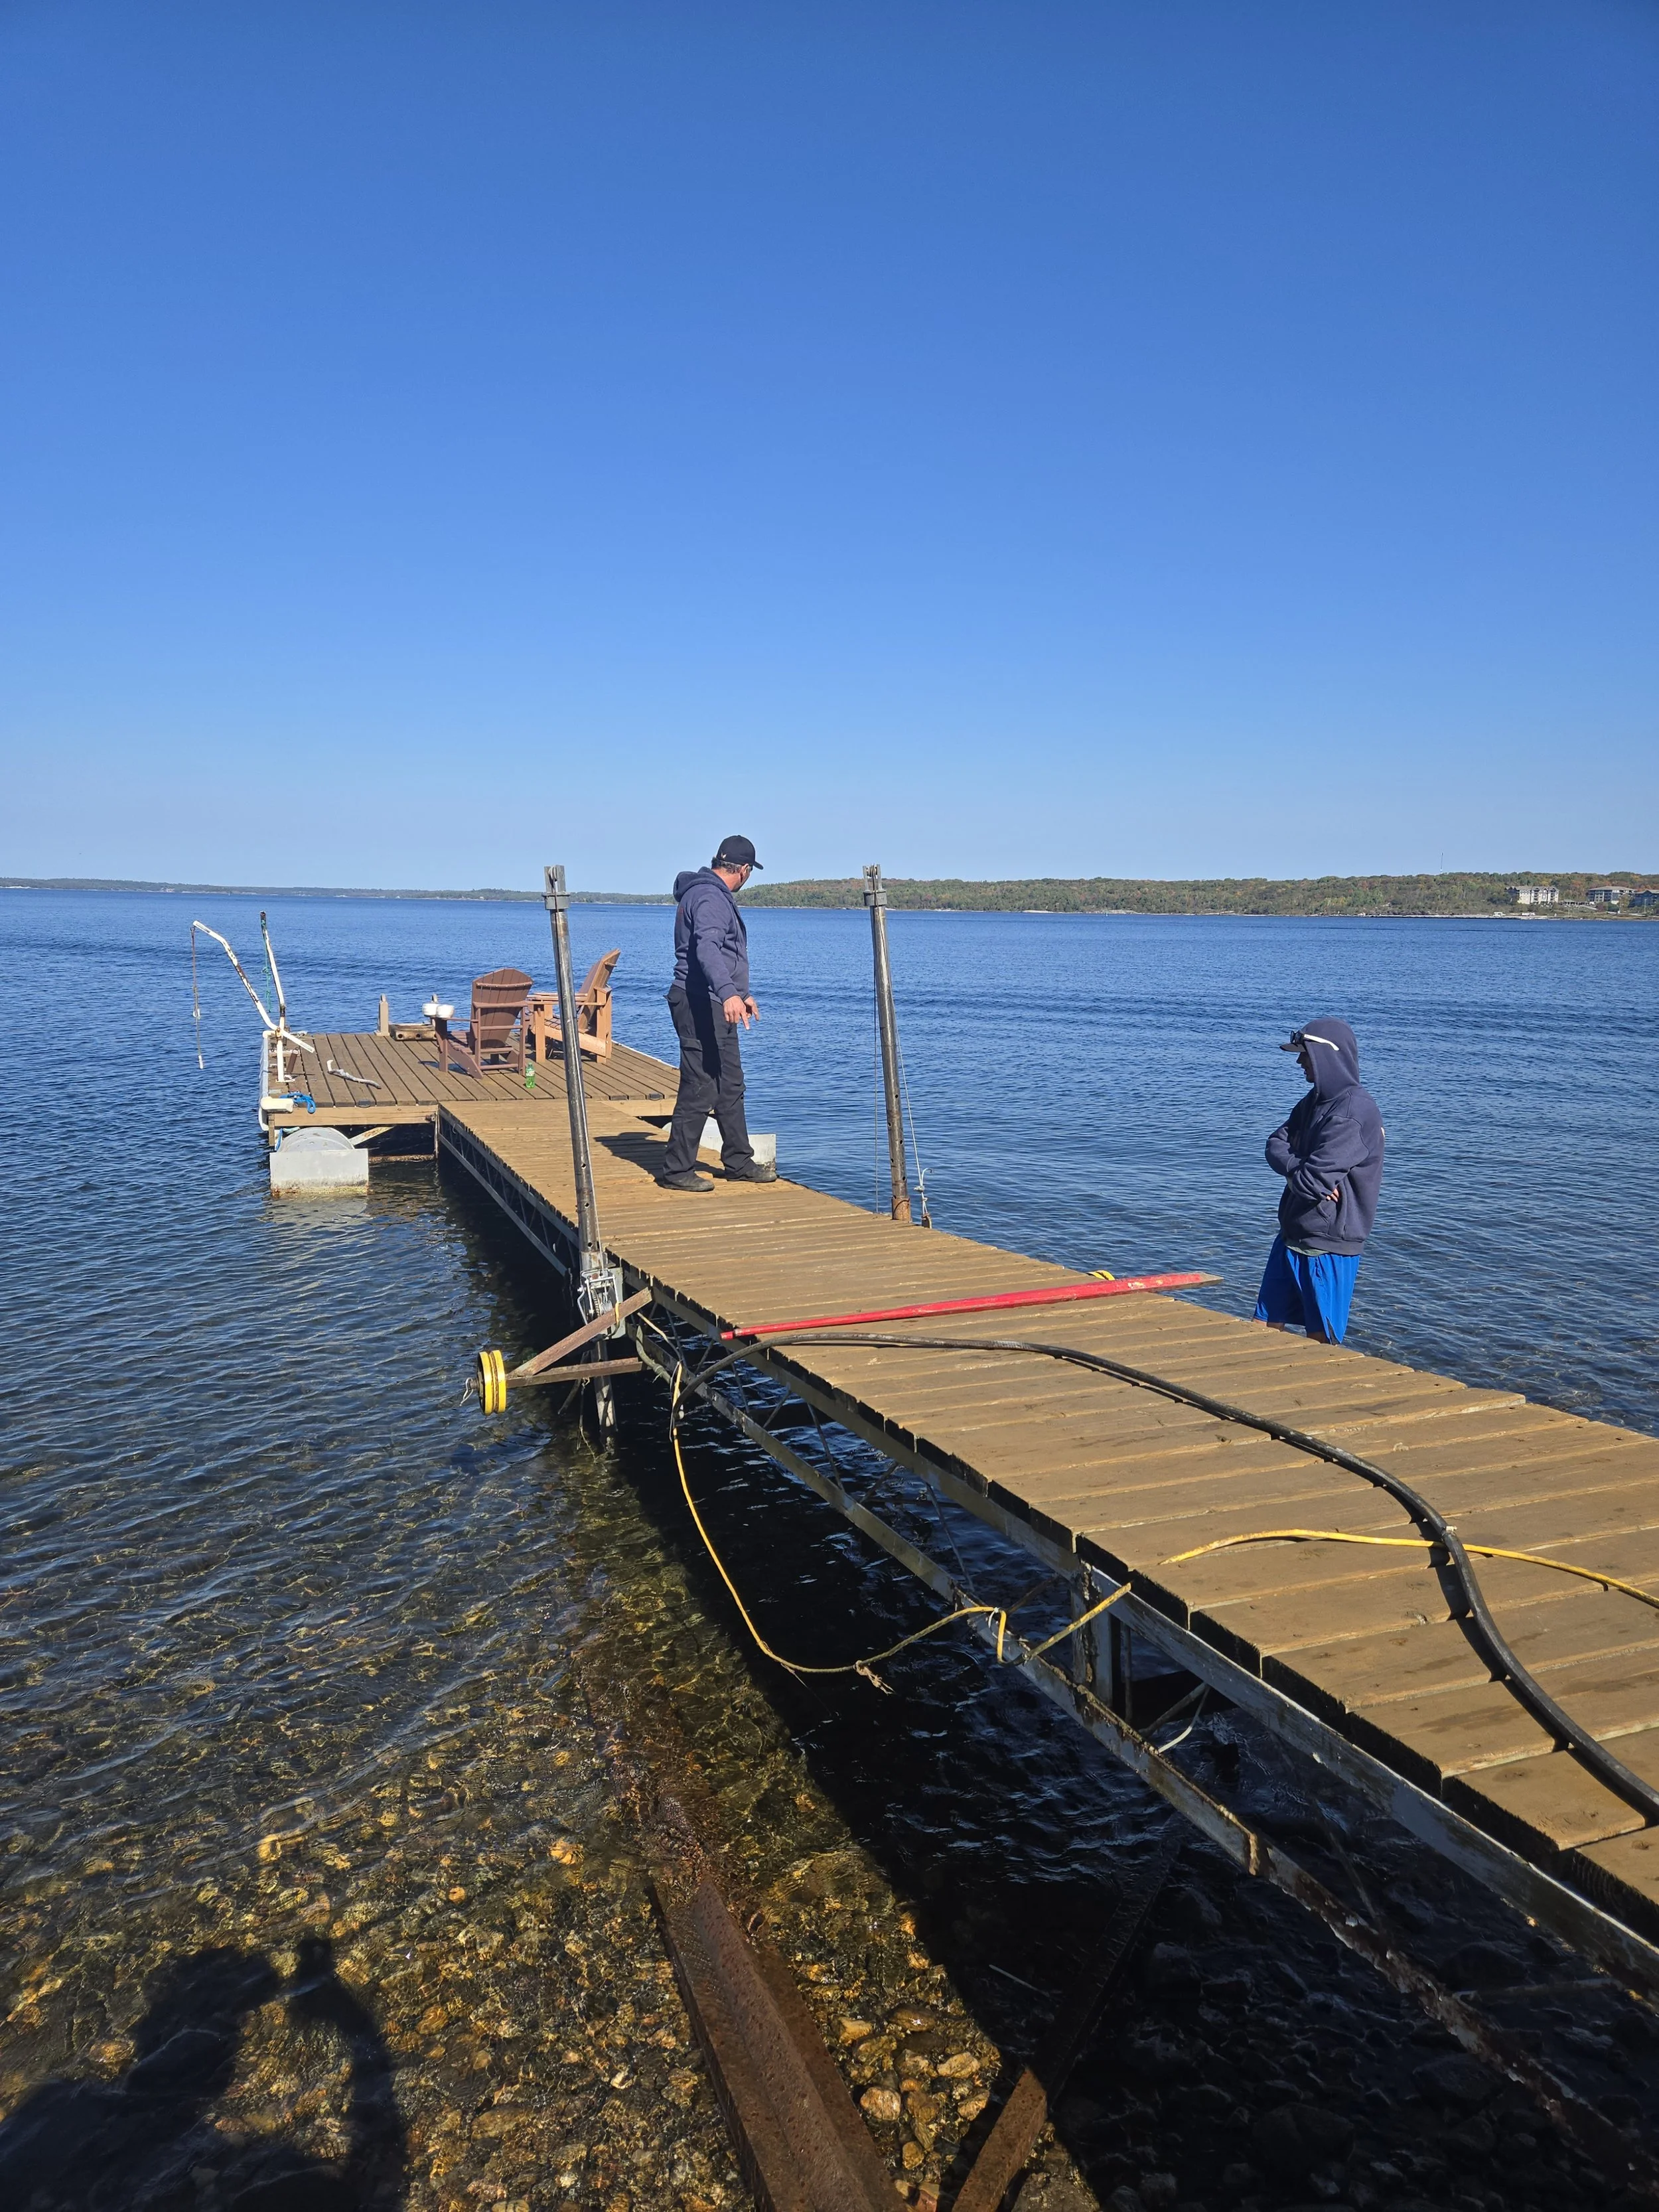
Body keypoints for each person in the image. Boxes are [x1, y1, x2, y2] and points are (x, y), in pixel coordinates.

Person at [658, 835, 778, 1191]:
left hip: (714, 1000)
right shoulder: (710, 896)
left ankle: (738, 1161)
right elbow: (707, 949)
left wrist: (740, 994)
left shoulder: (704, 893)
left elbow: (722, 954)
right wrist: (729, 994)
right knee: (701, 1084)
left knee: (730, 1083)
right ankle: (677, 1171)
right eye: (749, 872)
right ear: (743, 870)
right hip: (699, 1002)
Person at [1255, 1017, 1384, 1345]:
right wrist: (1298, 1165)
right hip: (1291, 1234)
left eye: (1305, 1055)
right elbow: (1274, 1144)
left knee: (1321, 1344)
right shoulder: (1313, 1102)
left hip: (1328, 1246)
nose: (1300, 1063)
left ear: (1328, 1057)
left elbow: (1311, 1182)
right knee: (1259, 1329)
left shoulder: (1354, 1113)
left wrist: (1301, 1170)